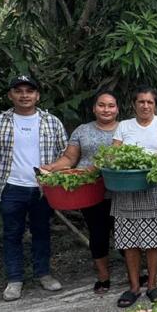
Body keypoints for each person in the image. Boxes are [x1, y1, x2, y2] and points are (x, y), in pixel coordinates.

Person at [0, 75, 67, 301]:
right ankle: (15, 280)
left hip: (43, 188)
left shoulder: (51, 121)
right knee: (12, 234)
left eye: (29, 91)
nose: (24, 95)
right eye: (19, 91)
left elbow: (65, 152)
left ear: (37, 95)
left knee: (42, 232)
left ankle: (44, 274)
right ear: (11, 95)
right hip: (10, 187)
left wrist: (60, 176)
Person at [42, 91, 119, 294]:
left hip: (120, 189)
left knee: (123, 232)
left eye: (111, 105)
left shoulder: (126, 129)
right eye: (102, 105)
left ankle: (134, 273)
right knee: (98, 233)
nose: (106, 109)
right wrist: (52, 168)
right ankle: (103, 277)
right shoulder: (82, 130)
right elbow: (69, 158)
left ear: (117, 109)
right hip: (89, 189)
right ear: (94, 108)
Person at [111, 86, 157, 308]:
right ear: (134, 104)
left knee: (154, 240)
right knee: (129, 240)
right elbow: (114, 153)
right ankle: (133, 287)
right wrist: (115, 162)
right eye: (141, 102)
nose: (145, 106)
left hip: (155, 186)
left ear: (155, 105)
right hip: (127, 188)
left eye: (150, 102)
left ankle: (152, 284)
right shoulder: (124, 126)